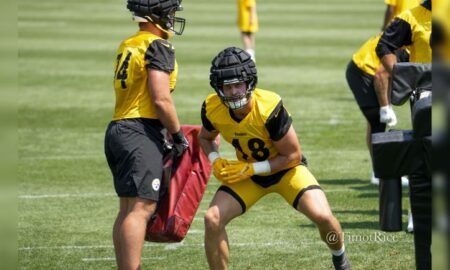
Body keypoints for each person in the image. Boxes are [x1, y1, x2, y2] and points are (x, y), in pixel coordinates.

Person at [198, 47, 351, 270]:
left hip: (286, 171)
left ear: (249, 83)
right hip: (249, 175)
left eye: (238, 85)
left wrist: (252, 169)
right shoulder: (212, 107)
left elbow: (293, 156)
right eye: (227, 87)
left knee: (324, 217)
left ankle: (340, 258)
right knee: (212, 219)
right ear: (218, 88)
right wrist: (215, 158)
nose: (233, 92)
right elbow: (205, 137)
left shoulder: (268, 107)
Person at [104, 0, 188, 269]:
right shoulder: (158, 46)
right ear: (157, 15)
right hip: (140, 132)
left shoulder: (128, 43)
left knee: (128, 209)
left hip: (119, 128)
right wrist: (177, 134)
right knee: (141, 210)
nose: (173, 17)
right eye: (171, 12)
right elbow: (161, 99)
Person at [376, 0, 431, 268]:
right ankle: (416, 213)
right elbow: (383, 45)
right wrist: (402, 75)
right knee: (425, 154)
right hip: (428, 97)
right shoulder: (412, 17)